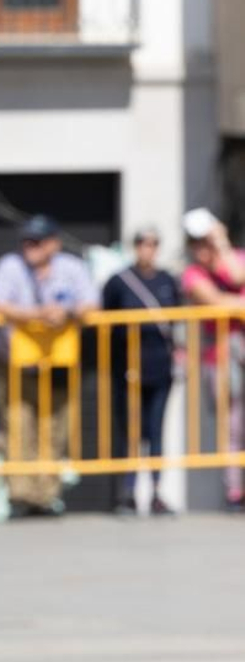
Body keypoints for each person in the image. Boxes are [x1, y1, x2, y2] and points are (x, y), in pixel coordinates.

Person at [0, 215, 99, 517]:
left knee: (55, 429)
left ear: (54, 243)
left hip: (58, 363)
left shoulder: (71, 268)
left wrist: (67, 312)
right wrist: (33, 314)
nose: (29, 247)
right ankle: (21, 496)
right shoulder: (11, 266)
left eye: (37, 241)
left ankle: (46, 497)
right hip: (15, 362)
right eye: (26, 241)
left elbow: (91, 305)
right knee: (18, 426)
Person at [101, 226, 179, 515]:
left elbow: (177, 320)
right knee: (131, 433)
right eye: (143, 244)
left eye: (153, 244)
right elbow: (105, 318)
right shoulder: (120, 282)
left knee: (156, 431)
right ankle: (129, 493)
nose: (148, 249)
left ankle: (157, 493)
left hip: (160, 370)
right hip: (128, 370)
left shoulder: (167, 280)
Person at [179, 208, 245, 511]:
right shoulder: (192, 274)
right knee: (233, 427)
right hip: (220, 357)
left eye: (206, 242)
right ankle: (235, 491)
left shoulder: (233, 257)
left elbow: (236, 275)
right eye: (198, 244)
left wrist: (222, 242)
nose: (203, 249)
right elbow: (216, 302)